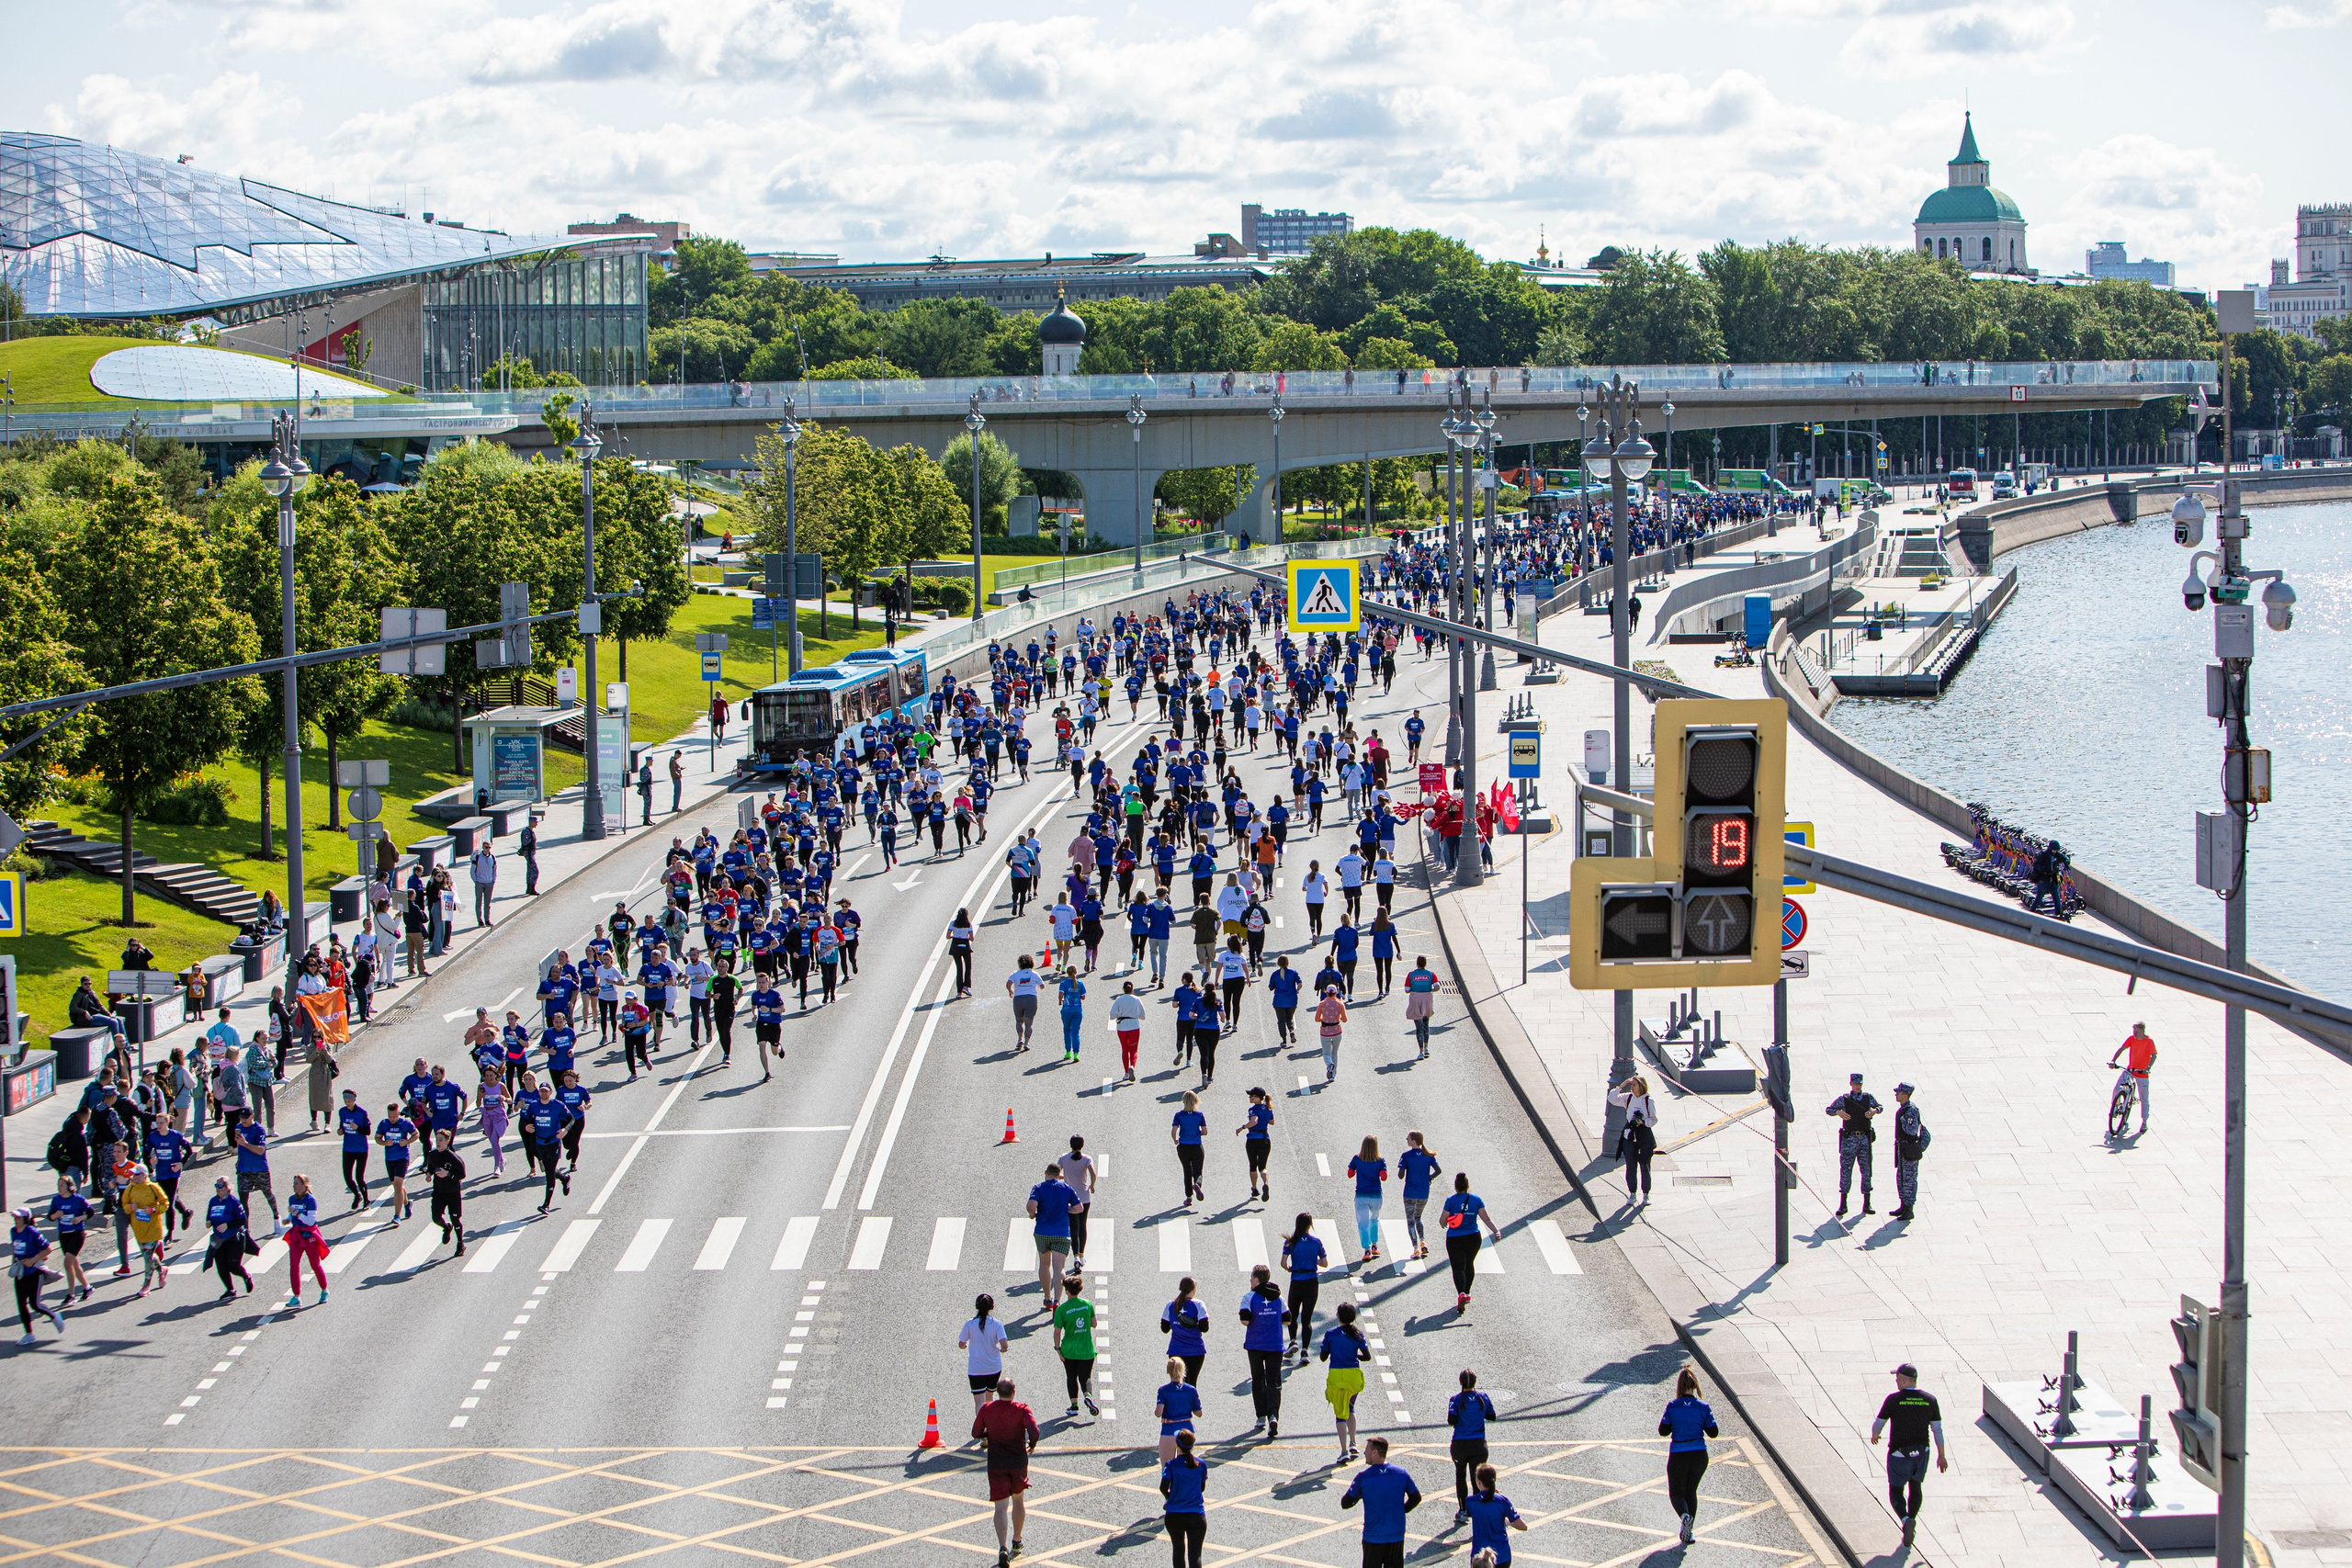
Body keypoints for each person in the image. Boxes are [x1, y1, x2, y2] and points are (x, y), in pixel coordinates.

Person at [1870, 1362, 1948, 1545]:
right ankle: (1912, 1519)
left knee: (1896, 1491)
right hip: (1922, 1453)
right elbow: (1938, 1430)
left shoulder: (1893, 1399)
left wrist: (1875, 1435)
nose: (1896, 1381)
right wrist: (1942, 1455)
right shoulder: (1930, 1400)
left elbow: (1878, 1424)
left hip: (1899, 1454)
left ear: (1904, 1380)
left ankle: (1905, 1521)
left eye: (1897, 1378)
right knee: (1916, 1486)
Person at [972, 1380, 1040, 1568]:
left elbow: (975, 1432)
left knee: (1000, 1507)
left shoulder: (987, 1408)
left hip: (997, 1463)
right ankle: (1016, 1541)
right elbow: (1035, 1431)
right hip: (1018, 1462)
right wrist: (1031, 1444)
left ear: (999, 1392)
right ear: (1014, 1392)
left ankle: (1002, 1547)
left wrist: (990, 1434)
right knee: (1018, 1500)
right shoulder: (1022, 1409)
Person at [1340, 1436, 1422, 1568]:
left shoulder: (1363, 1477)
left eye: (1367, 1449)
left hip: (1373, 1536)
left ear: (1375, 1452)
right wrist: (1402, 1510)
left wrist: (1360, 1495)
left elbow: (1346, 1503)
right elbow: (1416, 1498)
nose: (1365, 1453)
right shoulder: (1401, 1473)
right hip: (1396, 1535)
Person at [1658, 1367, 1720, 1544]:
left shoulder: (1672, 1406)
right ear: (1694, 1385)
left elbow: (1663, 1430)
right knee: (1691, 1491)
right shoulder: (1703, 1407)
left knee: (1677, 1493)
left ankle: (1684, 1516)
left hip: (1679, 1454)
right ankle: (1690, 1532)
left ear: (1679, 1386)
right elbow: (1713, 1432)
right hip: (1699, 1455)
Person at [1441, 1171, 1502, 1314]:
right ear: (1467, 1185)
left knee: (1457, 1268)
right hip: (1473, 1237)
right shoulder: (1476, 1200)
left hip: (1454, 1238)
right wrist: (1496, 1231)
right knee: (1469, 1264)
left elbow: (1442, 1221)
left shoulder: (1450, 1200)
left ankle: (1461, 1292)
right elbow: (1486, 1218)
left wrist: (1446, 1223)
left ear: (1455, 1186)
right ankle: (1467, 1293)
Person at [1238, 1264, 1287, 1438]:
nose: (1250, 1281)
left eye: (1251, 1277)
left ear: (1257, 1279)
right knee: (1274, 1381)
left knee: (1258, 1379)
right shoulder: (1279, 1297)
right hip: (1275, 1344)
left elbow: (1245, 1320)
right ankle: (1274, 1415)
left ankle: (1261, 1416)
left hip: (1255, 1345)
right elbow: (1287, 1319)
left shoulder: (1249, 1297)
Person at [1319, 1300, 1371, 1463]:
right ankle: (1354, 1442)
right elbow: (1367, 1356)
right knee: (1350, 1407)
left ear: (1338, 1316)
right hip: (1353, 1376)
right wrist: (1355, 1356)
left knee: (1340, 1414)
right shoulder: (1358, 1334)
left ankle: (1344, 1451)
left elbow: (1322, 1357)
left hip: (1337, 1376)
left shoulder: (1330, 1334)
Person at [1826, 1072, 1882, 1219]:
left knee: (1866, 1170)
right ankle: (1843, 1204)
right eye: (1855, 1084)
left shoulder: (1868, 1098)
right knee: (1846, 1170)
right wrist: (1839, 1112)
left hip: (1864, 1139)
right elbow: (1829, 1110)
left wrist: (1874, 1111)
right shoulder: (1845, 1099)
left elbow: (1880, 1107)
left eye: (1860, 1084)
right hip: (1849, 1140)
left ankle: (1867, 1202)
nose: (1858, 1086)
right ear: (1851, 1084)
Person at [1027, 1160, 1084, 1302]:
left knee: (1044, 1265)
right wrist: (1067, 1209)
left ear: (1046, 1173)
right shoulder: (1067, 1188)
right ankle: (1057, 1302)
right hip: (1062, 1233)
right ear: (1060, 1175)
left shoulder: (1038, 1188)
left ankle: (1047, 1297)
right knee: (1059, 1269)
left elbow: (1031, 1205)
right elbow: (1079, 1208)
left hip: (1042, 1232)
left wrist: (1032, 1214)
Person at [9, 1206, 65, 1345]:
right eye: (15, 1217)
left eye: (18, 1217)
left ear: (25, 1219)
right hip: (21, 1273)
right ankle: (29, 1334)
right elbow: (14, 1249)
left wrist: (32, 1260)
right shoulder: (13, 1231)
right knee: (21, 1305)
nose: (16, 1220)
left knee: (35, 1304)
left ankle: (54, 1316)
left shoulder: (32, 1232)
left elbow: (48, 1249)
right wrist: (14, 1264)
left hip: (34, 1272)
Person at [1448, 1370, 1498, 1517]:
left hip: (1460, 1445)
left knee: (1460, 1475)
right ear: (1475, 1382)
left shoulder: (1455, 1400)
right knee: (1478, 1478)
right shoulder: (1482, 1398)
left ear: (1460, 1382)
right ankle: (1478, 1510)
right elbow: (1492, 1416)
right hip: (1479, 1444)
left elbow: (1451, 1420)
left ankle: (1463, 1510)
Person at [1052, 1272, 1101, 1417]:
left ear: (1067, 1291)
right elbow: (1094, 1324)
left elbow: (1057, 1332)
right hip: (1086, 1349)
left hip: (1069, 1350)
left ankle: (1074, 1406)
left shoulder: (1062, 1309)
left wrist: (1058, 1349)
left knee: (1071, 1377)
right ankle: (1088, 1396)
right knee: (1085, 1377)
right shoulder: (1087, 1305)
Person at [1279, 1213, 1327, 1360]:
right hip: (1311, 1282)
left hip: (1296, 1281)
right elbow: (1325, 1263)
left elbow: (1283, 1263)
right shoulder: (1316, 1242)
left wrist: (1290, 1268)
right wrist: (1313, 1261)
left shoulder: (1290, 1242)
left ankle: (1293, 1341)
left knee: (1292, 1315)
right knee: (1307, 1319)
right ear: (1309, 1225)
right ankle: (1305, 1352)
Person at [1159, 1430, 1210, 1568]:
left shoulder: (1170, 1465)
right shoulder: (1201, 1464)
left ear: (1177, 1445)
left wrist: (1170, 1498)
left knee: (1178, 1552)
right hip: (1196, 1515)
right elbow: (1201, 1488)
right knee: (1195, 1556)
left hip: (1174, 1515)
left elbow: (1163, 1487)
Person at [203, 1176, 256, 1300]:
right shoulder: (213, 1201)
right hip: (219, 1239)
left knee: (233, 1265)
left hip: (234, 1238)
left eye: (220, 1186)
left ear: (227, 1188)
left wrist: (228, 1225)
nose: (218, 1189)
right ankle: (230, 1290)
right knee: (221, 1265)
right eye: (216, 1186)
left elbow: (242, 1219)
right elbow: (209, 1217)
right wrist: (209, 1222)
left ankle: (246, 1276)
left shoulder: (233, 1202)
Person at [1463, 1465, 1529, 1565]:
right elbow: (1523, 1526)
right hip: (1502, 1556)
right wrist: (1508, 1523)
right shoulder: (1502, 1501)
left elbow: (1477, 1510)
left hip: (1479, 1559)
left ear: (1479, 1482)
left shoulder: (1470, 1502)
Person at [959, 1292, 1012, 1418]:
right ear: (991, 1307)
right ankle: (992, 1425)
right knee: (990, 1397)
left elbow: (961, 1343)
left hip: (976, 1368)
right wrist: (1001, 1350)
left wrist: (965, 1346)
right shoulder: (997, 1324)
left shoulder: (970, 1324)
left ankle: (981, 1429)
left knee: (979, 1401)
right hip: (993, 1367)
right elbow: (1004, 1345)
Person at [120, 1163, 169, 1296]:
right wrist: (131, 1207)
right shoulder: (130, 1189)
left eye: (136, 1175)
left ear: (144, 1175)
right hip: (139, 1228)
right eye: (132, 1174)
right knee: (148, 1256)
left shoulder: (153, 1187)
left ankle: (146, 1286)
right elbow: (124, 1204)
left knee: (147, 1258)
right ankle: (161, 1270)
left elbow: (165, 1204)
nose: (133, 1177)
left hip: (153, 1228)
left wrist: (153, 1210)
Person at [283, 1172, 330, 1306]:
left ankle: (324, 1290)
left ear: (304, 1185)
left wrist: (297, 1214)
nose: (294, 1187)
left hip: (309, 1236)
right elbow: (292, 1214)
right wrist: (289, 1219)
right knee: (294, 1266)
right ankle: (296, 1296)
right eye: (294, 1184)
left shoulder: (310, 1200)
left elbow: (310, 1221)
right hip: (296, 1236)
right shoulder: (292, 1199)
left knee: (315, 1265)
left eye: (297, 1184)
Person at [48, 1176, 92, 1303]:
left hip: (77, 1234)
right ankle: (87, 1287)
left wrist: (79, 1218)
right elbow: (50, 1217)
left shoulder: (78, 1199)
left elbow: (90, 1212)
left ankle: (71, 1295)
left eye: (62, 1185)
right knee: (74, 1264)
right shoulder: (56, 1200)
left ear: (69, 1186)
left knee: (67, 1263)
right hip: (63, 1234)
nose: (59, 1188)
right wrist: (56, 1215)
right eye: (58, 1185)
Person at [1890, 1083, 1931, 1220]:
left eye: (1899, 1093)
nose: (1896, 1094)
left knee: (1909, 1179)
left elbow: (1911, 1130)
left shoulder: (1911, 1110)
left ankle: (1909, 1209)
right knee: (1901, 1177)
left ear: (1905, 1095)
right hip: (1902, 1150)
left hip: (1909, 1150)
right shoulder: (1904, 1109)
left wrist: (1903, 1120)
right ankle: (1903, 1205)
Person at [2108, 1022, 2155, 1134]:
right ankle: (2115, 1108)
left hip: (2142, 1073)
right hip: (2130, 1070)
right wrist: (2113, 1061)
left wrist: (2147, 1068)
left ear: (2142, 1031)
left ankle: (2144, 1121)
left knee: (2144, 1099)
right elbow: (2121, 1049)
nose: (2134, 1033)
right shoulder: (2131, 1039)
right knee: (2117, 1088)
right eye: (2134, 1031)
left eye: (2137, 1031)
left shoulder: (2149, 1041)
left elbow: (2154, 1055)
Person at [1160, 1280, 1209, 1389]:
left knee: (1177, 1384)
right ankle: (1192, 1405)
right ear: (1193, 1290)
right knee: (1191, 1384)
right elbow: (1204, 1328)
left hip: (1176, 1351)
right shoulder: (1199, 1304)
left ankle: (1177, 1405)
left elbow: (1164, 1328)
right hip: (1195, 1351)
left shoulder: (1170, 1305)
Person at [425, 1129, 467, 1256]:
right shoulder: (432, 1155)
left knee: (455, 1218)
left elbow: (462, 1174)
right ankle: (446, 1227)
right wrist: (429, 1174)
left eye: (441, 1140)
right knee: (436, 1217)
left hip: (453, 1192)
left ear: (447, 1141)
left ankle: (460, 1243)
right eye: (437, 1139)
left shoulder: (453, 1157)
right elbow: (431, 1166)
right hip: (439, 1192)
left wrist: (448, 1173)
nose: (438, 1142)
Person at [1059, 1135, 1098, 1269]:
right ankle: (1082, 1254)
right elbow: (1093, 1173)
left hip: (1069, 1198)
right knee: (1082, 1225)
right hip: (1084, 1197)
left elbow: (1056, 1173)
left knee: (1073, 1227)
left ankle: (1075, 1256)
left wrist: (1065, 1176)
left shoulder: (1063, 1158)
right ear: (1083, 1145)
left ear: (1070, 1145)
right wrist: (1092, 1185)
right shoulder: (1087, 1159)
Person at [1171, 1091, 1208, 1206]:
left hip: (1183, 1147)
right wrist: (1198, 1133)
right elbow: (1205, 1132)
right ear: (1196, 1101)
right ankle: (1197, 1184)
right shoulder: (1199, 1115)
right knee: (1198, 1171)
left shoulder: (1179, 1115)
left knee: (1187, 1171)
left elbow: (1173, 1131)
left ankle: (1188, 1197)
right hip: (1196, 1146)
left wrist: (1175, 1140)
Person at [1238, 1087, 1274, 1203]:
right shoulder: (1268, 1108)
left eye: (1252, 1096)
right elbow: (1272, 1122)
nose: (1250, 1098)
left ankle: (1254, 1189)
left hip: (1253, 1139)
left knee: (1253, 1165)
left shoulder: (1253, 1109)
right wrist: (1264, 1119)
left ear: (1258, 1098)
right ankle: (1266, 1183)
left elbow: (1254, 1121)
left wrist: (1242, 1127)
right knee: (1263, 1167)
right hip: (1265, 1139)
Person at [1616, 1104, 1657, 1203]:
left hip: (1644, 1138)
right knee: (1630, 1167)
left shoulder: (1648, 1101)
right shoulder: (1629, 1098)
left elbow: (1654, 1120)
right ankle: (1632, 1193)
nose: (1632, 1087)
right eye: (1631, 1086)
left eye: (1634, 1086)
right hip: (1629, 1139)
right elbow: (1612, 1098)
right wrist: (1620, 1087)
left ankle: (1646, 1194)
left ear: (1640, 1087)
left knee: (1645, 1166)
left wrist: (1643, 1122)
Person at [1402, 957, 1440, 1057]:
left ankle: (1421, 1052)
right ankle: (1426, 1047)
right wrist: (1430, 989)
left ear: (1417, 964)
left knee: (1419, 1027)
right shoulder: (1431, 974)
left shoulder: (1411, 974)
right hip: (1427, 999)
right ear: (1425, 964)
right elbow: (1437, 987)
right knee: (1426, 1024)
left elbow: (1407, 990)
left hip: (1415, 999)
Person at [1109, 981, 1146, 1082]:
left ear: (1123, 989)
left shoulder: (1119, 1000)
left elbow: (1112, 1015)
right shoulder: (1137, 999)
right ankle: (1132, 1066)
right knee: (1134, 1050)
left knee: (1125, 1049)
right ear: (1132, 989)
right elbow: (1143, 1016)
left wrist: (1120, 1014)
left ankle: (1126, 1073)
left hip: (1122, 1028)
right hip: (1134, 1027)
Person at [1004, 953, 1041, 1053]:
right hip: (1031, 999)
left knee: (1019, 1021)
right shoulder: (1034, 974)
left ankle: (1019, 1039)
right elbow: (1042, 985)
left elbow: (1008, 984)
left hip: (1018, 999)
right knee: (1029, 1024)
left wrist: (1010, 991)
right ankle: (1026, 1043)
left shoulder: (1015, 974)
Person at [1314, 985, 1347, 1085]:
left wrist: (1324, 1019)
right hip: (1337, 1031)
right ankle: (1333, 1075)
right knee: (1335, 1053)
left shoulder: (1322, 1004)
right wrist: (1339, 1018)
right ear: (1336, 992)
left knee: (1326, 1053)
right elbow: (1345, 1019)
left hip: (1325, 1032)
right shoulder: (1340, 1004)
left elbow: (1316, 1019)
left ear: (1326, 993)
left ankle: (1329, 1065)